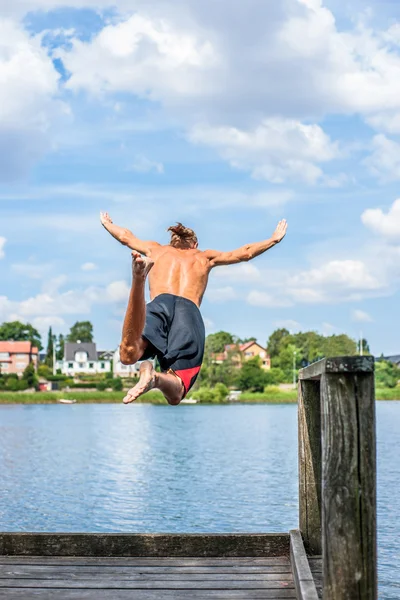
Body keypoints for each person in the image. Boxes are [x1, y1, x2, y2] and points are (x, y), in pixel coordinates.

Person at [100, 212, 287, 405]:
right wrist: (273, 240)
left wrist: (107, 224)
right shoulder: (204, 256)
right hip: (187, 311)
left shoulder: (156, 250)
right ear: (195, 244)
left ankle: (138, 280)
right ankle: (154, 378)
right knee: (176, 391)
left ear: (172, 243)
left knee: (128, 354)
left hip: (159, 304)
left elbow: (125, 237)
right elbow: (245, 253)